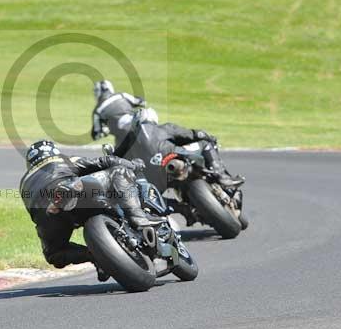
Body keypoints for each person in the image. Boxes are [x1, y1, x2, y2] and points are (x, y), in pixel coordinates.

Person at [18, 139, 162, 280]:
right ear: (53, 152)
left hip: (47, 214)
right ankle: (139, 219)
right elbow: (104, 162)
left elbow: (32, 212)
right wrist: (133, 165)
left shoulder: (24, 183)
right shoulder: (62, 159)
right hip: (74, 189)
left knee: (55, 254)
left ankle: (95, 256)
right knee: (119, 171)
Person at [113, 108, 244, 191]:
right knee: (205, 143)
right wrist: (207, 136)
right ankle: (222, 175)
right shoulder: (164, 128)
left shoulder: (129, 142)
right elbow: (191, 134)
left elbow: (117, 158)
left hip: (153, 179)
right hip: (172, 156)